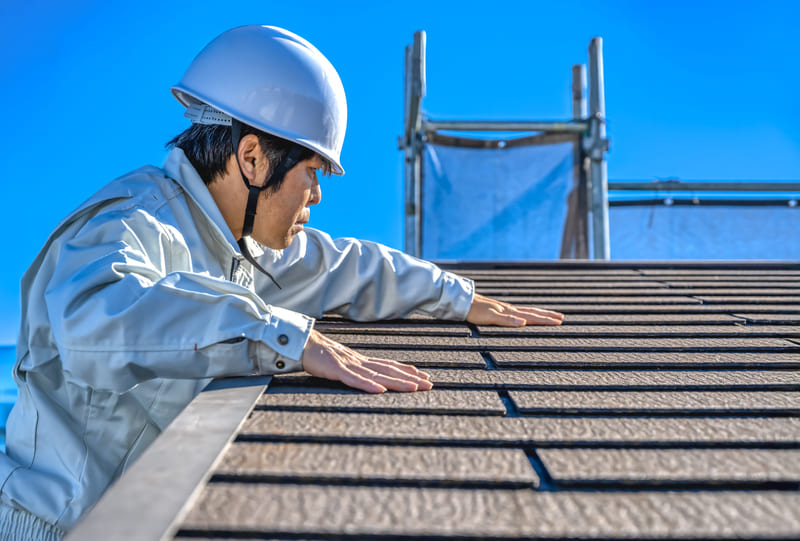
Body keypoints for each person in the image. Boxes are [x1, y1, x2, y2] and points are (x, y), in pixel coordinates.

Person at [0, 25, 563, 540]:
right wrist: (281, 335)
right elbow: (97, 322)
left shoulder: (235, 243)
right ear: (252, 158)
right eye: (312, 173)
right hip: (48, 528)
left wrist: (459, 297)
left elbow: (349, 265)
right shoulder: (130, 222)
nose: (317, 197)